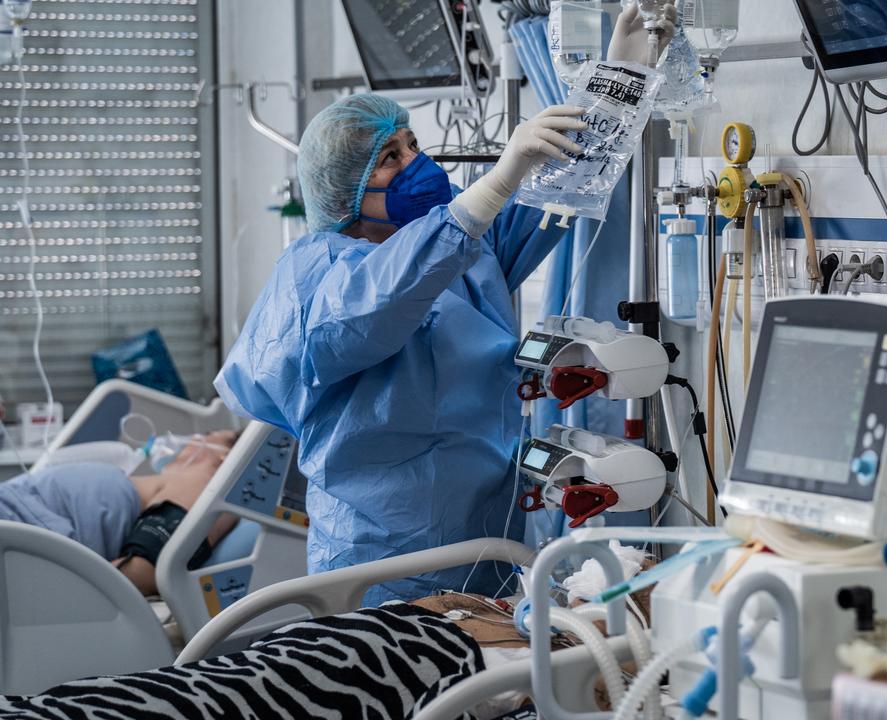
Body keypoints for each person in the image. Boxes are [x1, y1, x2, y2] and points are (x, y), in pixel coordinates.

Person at [214, 3, 677, 604]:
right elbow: (378, 305)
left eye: (411, 144)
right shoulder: (320, 273)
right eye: (390, 158)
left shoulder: (460, 251)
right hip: (383, 563)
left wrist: (618, 82)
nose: (417, 163)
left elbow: (557, 188)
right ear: (347, 192)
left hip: (488, 541)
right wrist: (496, 180)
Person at [0, 431, 240, 596]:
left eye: (210, 433)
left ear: (226, 454)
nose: (196, 438)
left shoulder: (206, 481)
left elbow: (143, 573)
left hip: (22, 537)